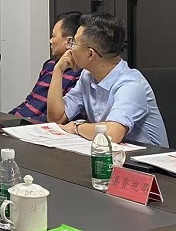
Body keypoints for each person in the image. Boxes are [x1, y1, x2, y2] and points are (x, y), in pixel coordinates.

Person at [46, 12, 168, 147]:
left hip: (144, 158)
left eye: (74, 43)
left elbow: (112, 134)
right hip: (110, 153)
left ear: (90, 54)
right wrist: (58, 71)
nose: (69, 48)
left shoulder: (131, 84)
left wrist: (76, 127)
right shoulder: (87, 76)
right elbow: (56, 117)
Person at [11, 11, 83, 120]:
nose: (50, 41)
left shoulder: (80, 74)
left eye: (53, 36)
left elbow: (60, 117)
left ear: (69, 42)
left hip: (35, 126)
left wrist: (22, 123)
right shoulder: (49, 65)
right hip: (18, 122)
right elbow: (29, 100)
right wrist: (7, 118)